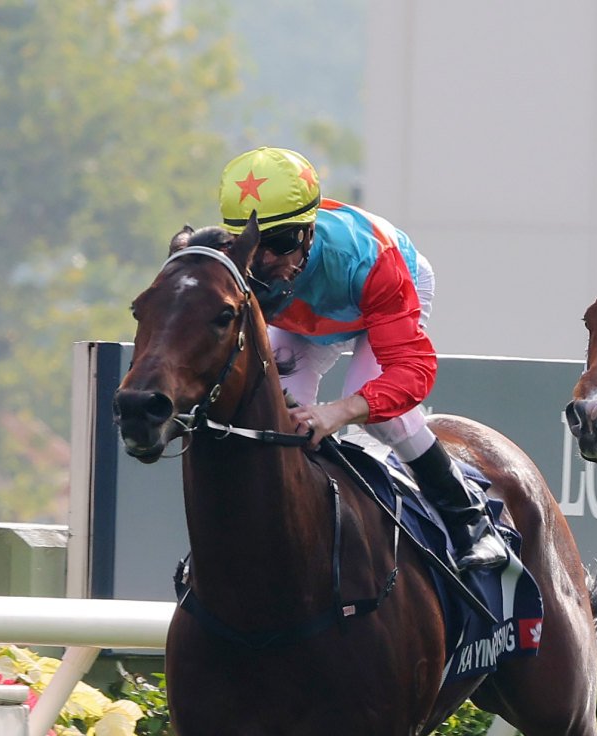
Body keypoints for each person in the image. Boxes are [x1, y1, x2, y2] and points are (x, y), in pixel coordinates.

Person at [216, 146, 507, 573]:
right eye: (252, 245)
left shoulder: (372, 263)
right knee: (274, 407)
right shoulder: (231, 264)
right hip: (307, 319)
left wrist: (339, 412)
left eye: (280, 243)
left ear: (309, 231)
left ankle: (470, 522)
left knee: (379, 412)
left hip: (380, 294)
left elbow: (412, 372)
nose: (266, 261)